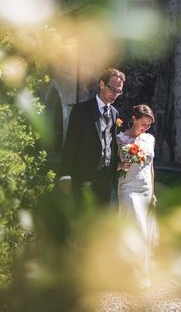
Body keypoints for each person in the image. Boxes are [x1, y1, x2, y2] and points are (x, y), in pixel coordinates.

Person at [59, 68, 125, 210]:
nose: (115, 95)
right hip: (84, 176)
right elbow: (70, 143)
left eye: (119, 91)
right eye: (112, 89)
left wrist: (117, 164)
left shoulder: (115, 113)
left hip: (106, 178)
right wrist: (65, 174)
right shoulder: (81, 110)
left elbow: (110, 143)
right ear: (102, 84)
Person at [116, 104, 157, 287]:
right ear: (133, 118)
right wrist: (119, 166)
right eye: (143, 123)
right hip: (128, 188)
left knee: (144, 233)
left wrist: (153, 191)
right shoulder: (120, 138)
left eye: (148, 125)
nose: (145, 128)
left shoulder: (150, 139)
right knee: (134, 229)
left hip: (145, 188)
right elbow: (111, 162)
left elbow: (151, 167)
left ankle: (141, 275)